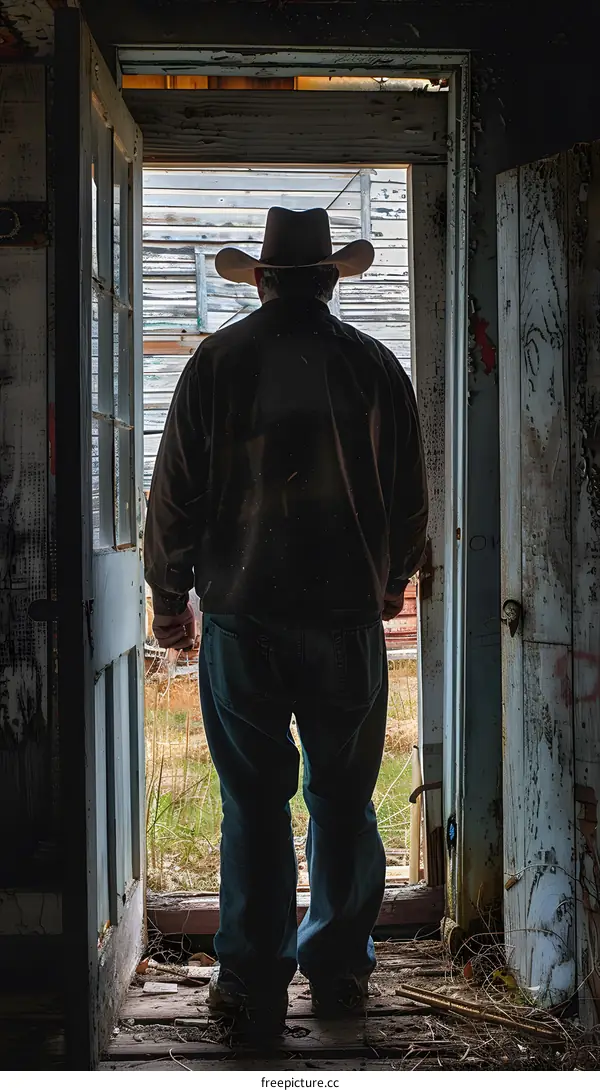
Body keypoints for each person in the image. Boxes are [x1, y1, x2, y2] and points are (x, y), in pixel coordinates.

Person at [144, 206, 428, 1038]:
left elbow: (175, 494)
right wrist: (391, 584)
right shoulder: (376, 369)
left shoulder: (218, 362)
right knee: (342, 798)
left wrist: (170, 600)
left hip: (243, 616)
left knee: (252, 803)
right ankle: (340, 973)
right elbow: (411, 498)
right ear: (332, 278)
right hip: (344, 620)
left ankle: (250, 985)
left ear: (261, 280)